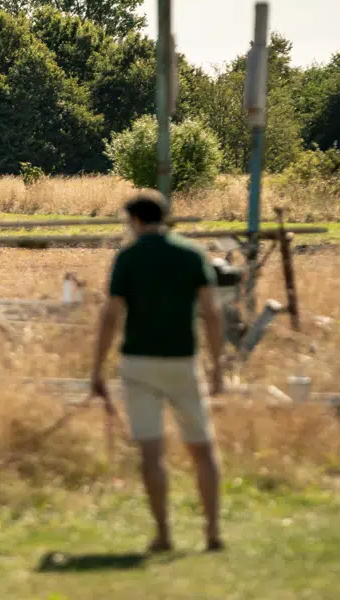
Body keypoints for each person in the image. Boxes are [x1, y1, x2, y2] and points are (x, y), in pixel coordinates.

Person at [90, 189, 226, 553]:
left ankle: (164, 533)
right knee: (202, 449)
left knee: (151, 452)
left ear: (134, 220)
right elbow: (211, 314)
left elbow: (111, 316)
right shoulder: (191, 254)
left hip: (138, 363)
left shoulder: (128, 257)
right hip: (182, 360)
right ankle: (212, 532)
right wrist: (218, 365)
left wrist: (97, 369)